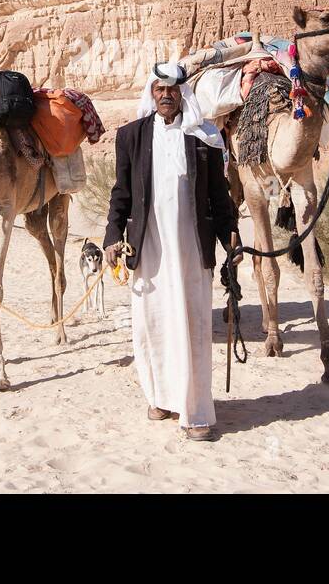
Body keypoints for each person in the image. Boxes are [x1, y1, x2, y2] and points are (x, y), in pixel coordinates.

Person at [103, 62, 240, 441]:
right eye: (159, 90)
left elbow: (219, 194)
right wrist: (113, 234)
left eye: (173, 90)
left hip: (192, 250)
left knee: (193, 325)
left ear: (183, 94)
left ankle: (196, 413)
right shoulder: (131, 136)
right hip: (148, 248)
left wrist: (232, 236)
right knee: (153, 324)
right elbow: (122, 193)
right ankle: (160, 396)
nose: (166, 95)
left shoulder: (205, 137)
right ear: (151, 93)